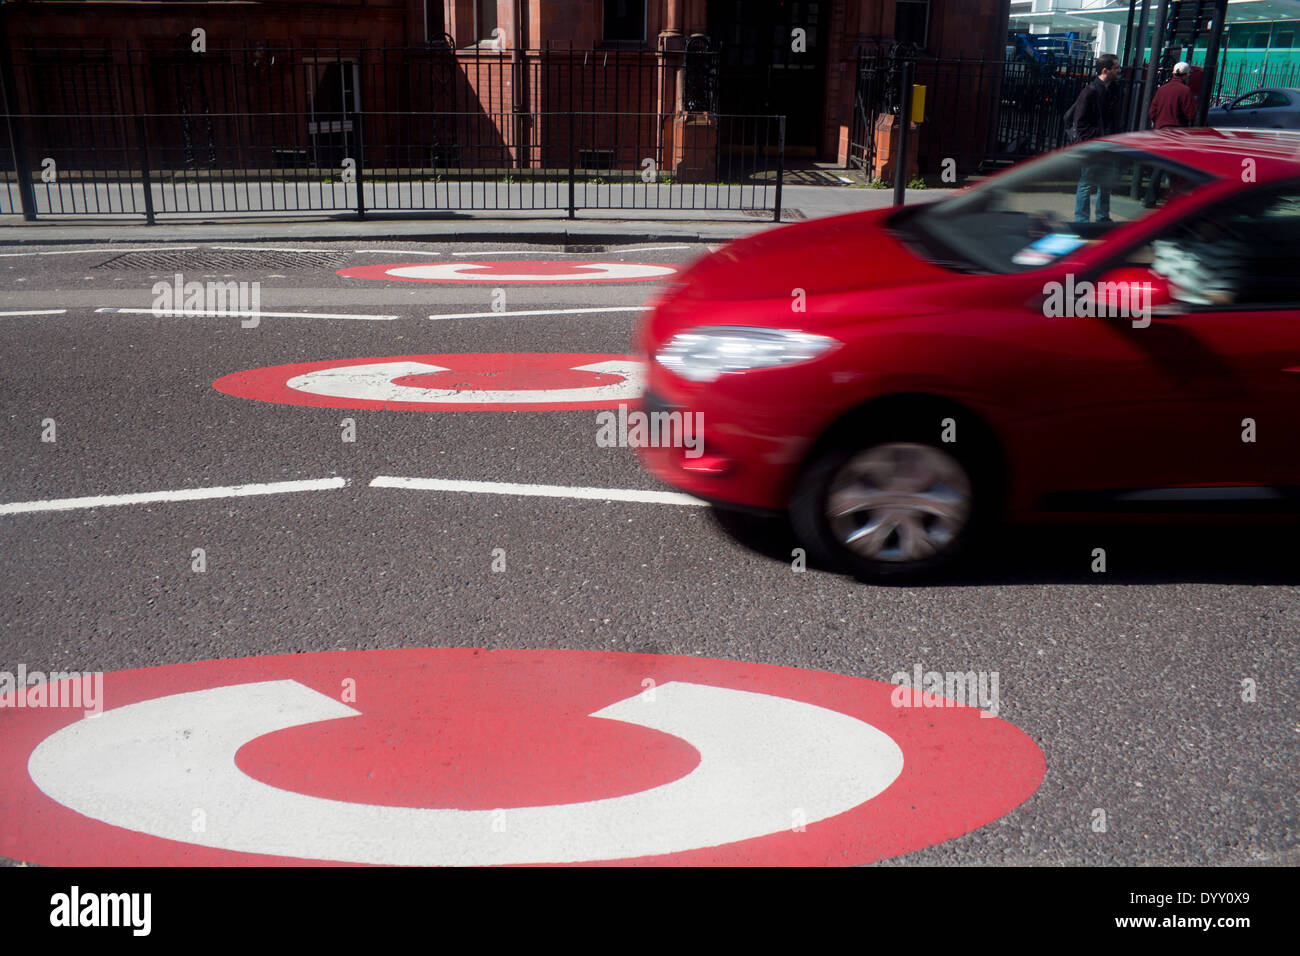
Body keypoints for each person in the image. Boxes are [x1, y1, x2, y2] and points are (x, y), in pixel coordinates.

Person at [1069, 54, 1122, 222]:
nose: (1119, 71)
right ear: (1105, 70)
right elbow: (1080, 123)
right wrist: (1096, 139)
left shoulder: (1114, 89)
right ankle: (1082, 220)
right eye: (1116, 68)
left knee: (1105, 184)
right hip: (1093, 146)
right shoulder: (1089, 92)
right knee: (1086, 183)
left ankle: (1102, 217)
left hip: (1109, 145)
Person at [1143, 62, 1197, 206]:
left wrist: (1159, 122)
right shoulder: (1185, 91)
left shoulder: (1162, 90)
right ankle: (1173, 198)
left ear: (1173, 73)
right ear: (1185, 75)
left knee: (1160, 165)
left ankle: (1151, 198)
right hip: (1176, 132)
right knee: (1176, 166)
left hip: (1161, 131)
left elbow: (1152, 112)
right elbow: (1191, 114)